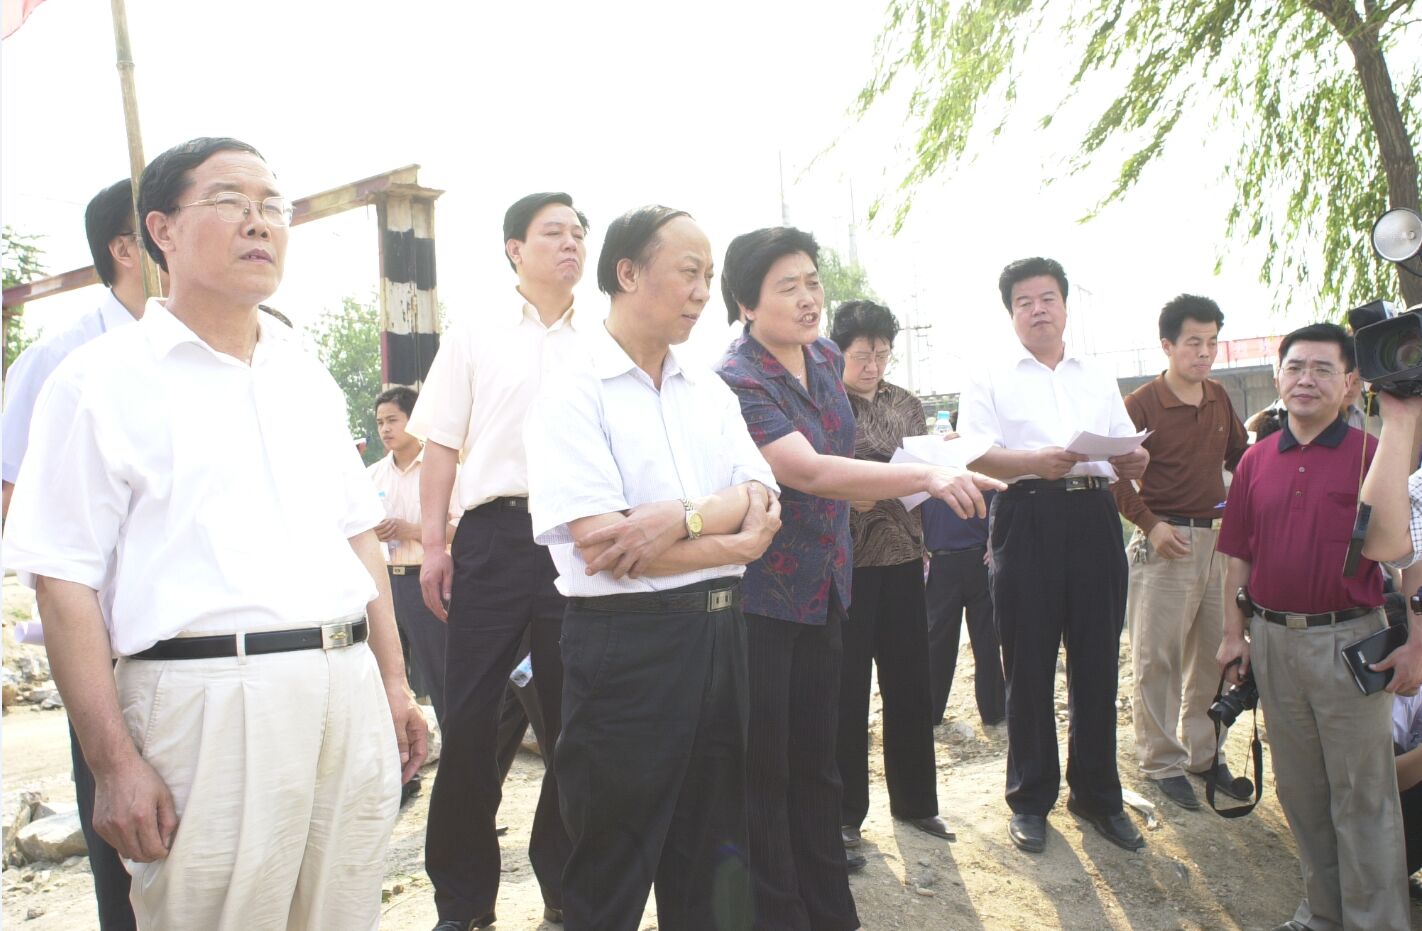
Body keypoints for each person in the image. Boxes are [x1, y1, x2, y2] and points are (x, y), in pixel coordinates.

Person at [3, 136, 427, 930]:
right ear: (160, 230)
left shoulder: (302, 372)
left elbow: (357, 538)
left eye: (273, 206)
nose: (259, 222)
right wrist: (112, 763)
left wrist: (393, 682)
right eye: (231, 201)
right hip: (206, 701)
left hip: (346, 688)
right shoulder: (97, 381)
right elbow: (62, 583)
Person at [716, 226, 1001, 930]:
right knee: (768, 768)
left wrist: (928, 468)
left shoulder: (823, 356)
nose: (809, 297)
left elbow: (842, 459)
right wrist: (926, 477)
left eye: (812, 281)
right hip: (765, 596)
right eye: (788, 286)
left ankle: (830, 910)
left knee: (820, 763)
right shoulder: (738, 378)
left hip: (830, 584)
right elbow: (809, 469)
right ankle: (779, 913)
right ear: (746, 303)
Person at [526, 204, 781, 931]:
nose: (703, 292)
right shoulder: (573, 390)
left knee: (713, 854)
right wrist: (733, 542)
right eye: (689, 273)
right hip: (627, 645)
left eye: (709, 276)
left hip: (722, 641)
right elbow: (605, 547)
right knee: (611, 862)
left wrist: (681, 517)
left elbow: (764, 498)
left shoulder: (710, 388)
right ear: (628, 273)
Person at [407, 191, 586, 929]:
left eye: (579, 232)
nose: (572, 243)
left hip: (579, 539)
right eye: (554, 232)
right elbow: (440, 446)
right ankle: (463, 900)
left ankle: (566, 883)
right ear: (515, 248)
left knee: (576, 722)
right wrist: (434, 546)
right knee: (472, 722)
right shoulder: (475, 334)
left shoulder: (604, 336)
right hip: (492, 539)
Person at [1217, 322, 1412, 931]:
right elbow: (1238, 555)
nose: (1306, 379)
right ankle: (1324, 913)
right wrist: (1233, 634)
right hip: (1274, 642)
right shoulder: (1254, 461)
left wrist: (1418, 644)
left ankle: (1376, 922)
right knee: (1301, 792)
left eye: (1323, 369)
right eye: (1295, 367)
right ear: (1277, 377)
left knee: (1363, 795)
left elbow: (1412, 556)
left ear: (1351, 383)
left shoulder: (1372, 454)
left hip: (1351, 642)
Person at [957, 256, 1149, 854]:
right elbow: (974, 453)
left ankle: (1097, 795)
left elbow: (1127, 448)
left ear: (1065, 306)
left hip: (1095, 514)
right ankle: (1030, 797)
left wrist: (1136, 460)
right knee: (1029, 661)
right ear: (1011, 313)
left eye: (1048, 299)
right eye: (1025, 302)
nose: (1038, 310)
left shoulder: (1096, 374)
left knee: (1097, 659)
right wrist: (1031, 463)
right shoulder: (989, 376)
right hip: (1026, 514)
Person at [0, 178, 152, 931]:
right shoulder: (60, 360)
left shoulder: (240, 351)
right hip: (114, 643)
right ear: (129, 247)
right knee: (127, 841)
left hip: (223, 649)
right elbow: (18, 504)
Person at [1111, 294, 1251, 811]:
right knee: (1159, 658)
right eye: (1194, 342)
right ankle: (1161, 760)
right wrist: (1150, 525)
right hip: (1166, 543)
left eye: (1212, 342)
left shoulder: (1218, 396)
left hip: (1219, 544)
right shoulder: (1141, 404)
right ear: (1167, 345)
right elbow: (1112, 475)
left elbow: (1241, 458)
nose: (1205, 352)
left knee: (1215, 653)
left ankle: (1204, 753)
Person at [828, 300, 954, 854]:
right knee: (847, 692)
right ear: (837, 353)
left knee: (909, 684)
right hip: (847, 564)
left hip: (903, 555)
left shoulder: (906, 404)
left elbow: (922, 470)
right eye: (862, 355)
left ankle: (917, 803)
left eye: (881, 354)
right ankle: (844, 815)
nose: (873, 365)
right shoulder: (824, 403)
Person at [366, 384, 459, 727]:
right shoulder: (371, 476)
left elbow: (463, 529)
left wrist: (412, 530)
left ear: (415, 420)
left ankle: (454, 747)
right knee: (385, 678)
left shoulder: (444, 470)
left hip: (428, 580)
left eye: (393, 420)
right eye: (380, 422)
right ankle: (399, 756)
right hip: (384, 583)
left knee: (441, 674)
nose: (385, 429)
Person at [922, 481, 1005, 728]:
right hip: (941, 562)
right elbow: (911, 506)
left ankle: (995, 712)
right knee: (937, 641)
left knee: (987, 640)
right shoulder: (925, 468)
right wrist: (918, 544)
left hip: (980, 559)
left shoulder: (979, 463)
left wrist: (996, 538)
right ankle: (930, 713)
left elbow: (1001, 497)